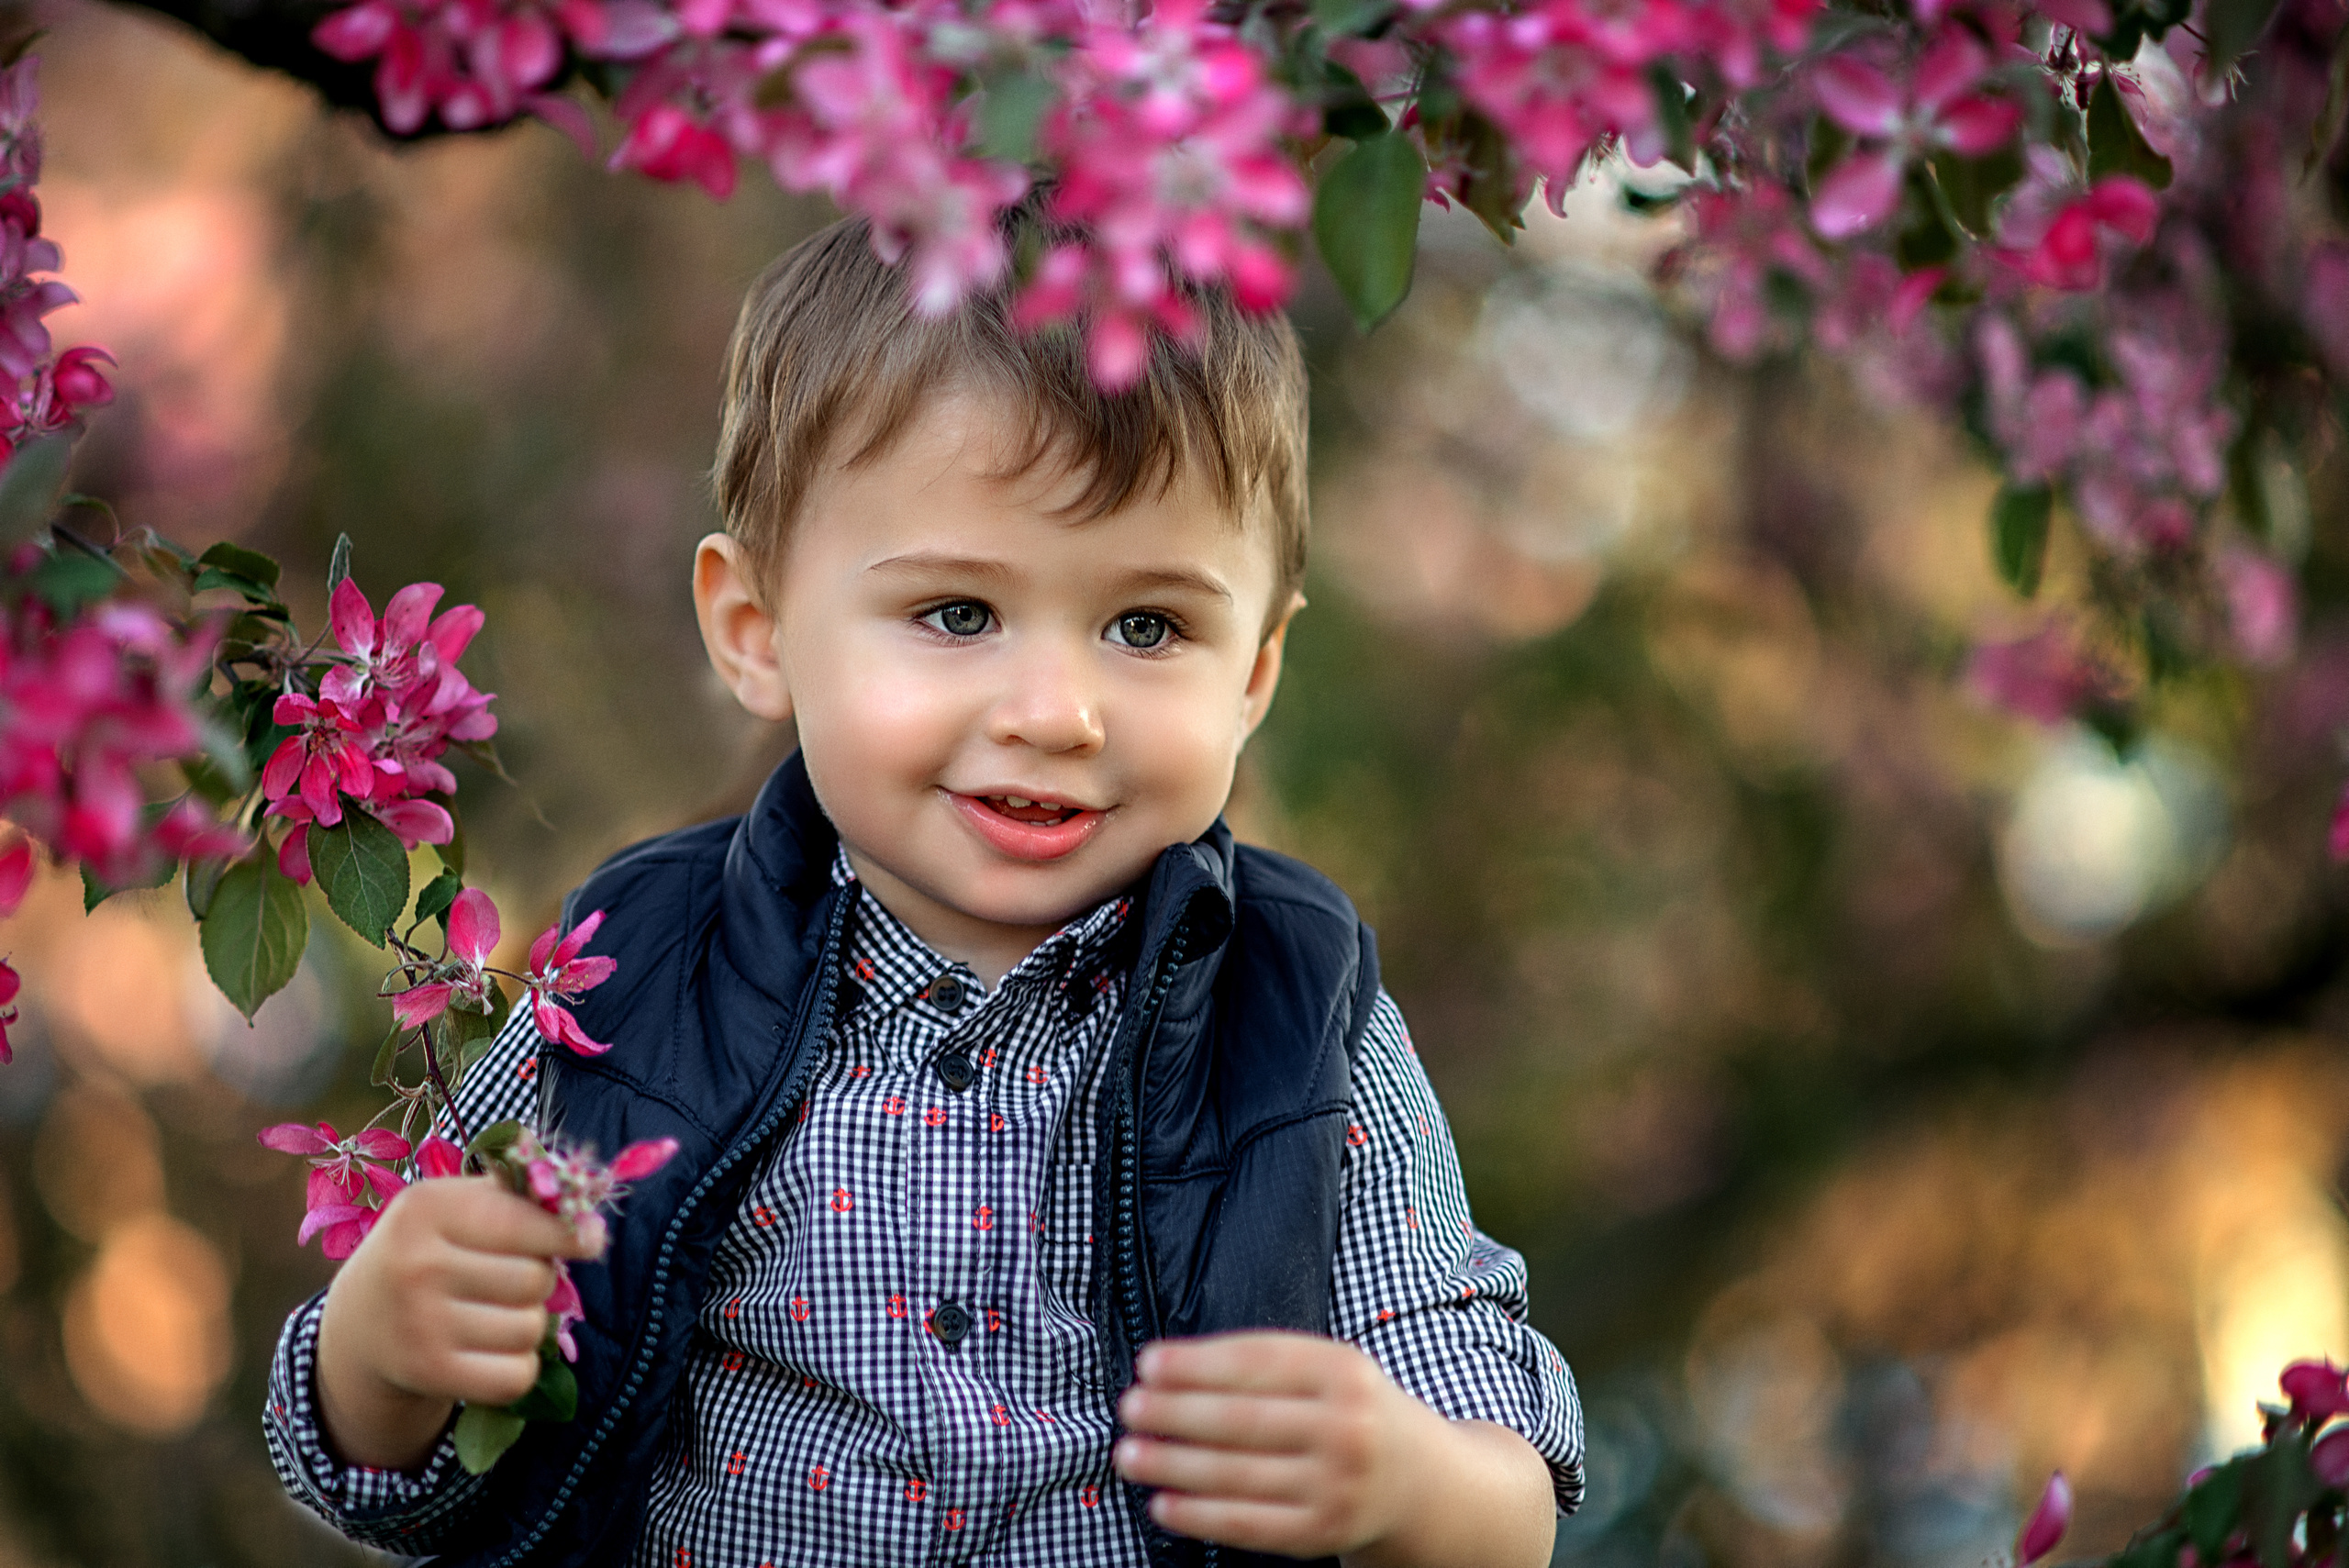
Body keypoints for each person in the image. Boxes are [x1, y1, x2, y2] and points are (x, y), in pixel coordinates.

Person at [262, 205, 1584, 1568]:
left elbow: (1503, 1491)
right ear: (756, 631)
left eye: (1149, 626)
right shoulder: (640, 965)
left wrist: (1401, 1478)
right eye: (958, 613)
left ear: (1252, 672)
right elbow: (400, 1473)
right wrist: (385, 1355)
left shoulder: (1300, 1017)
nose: (1055, 711)